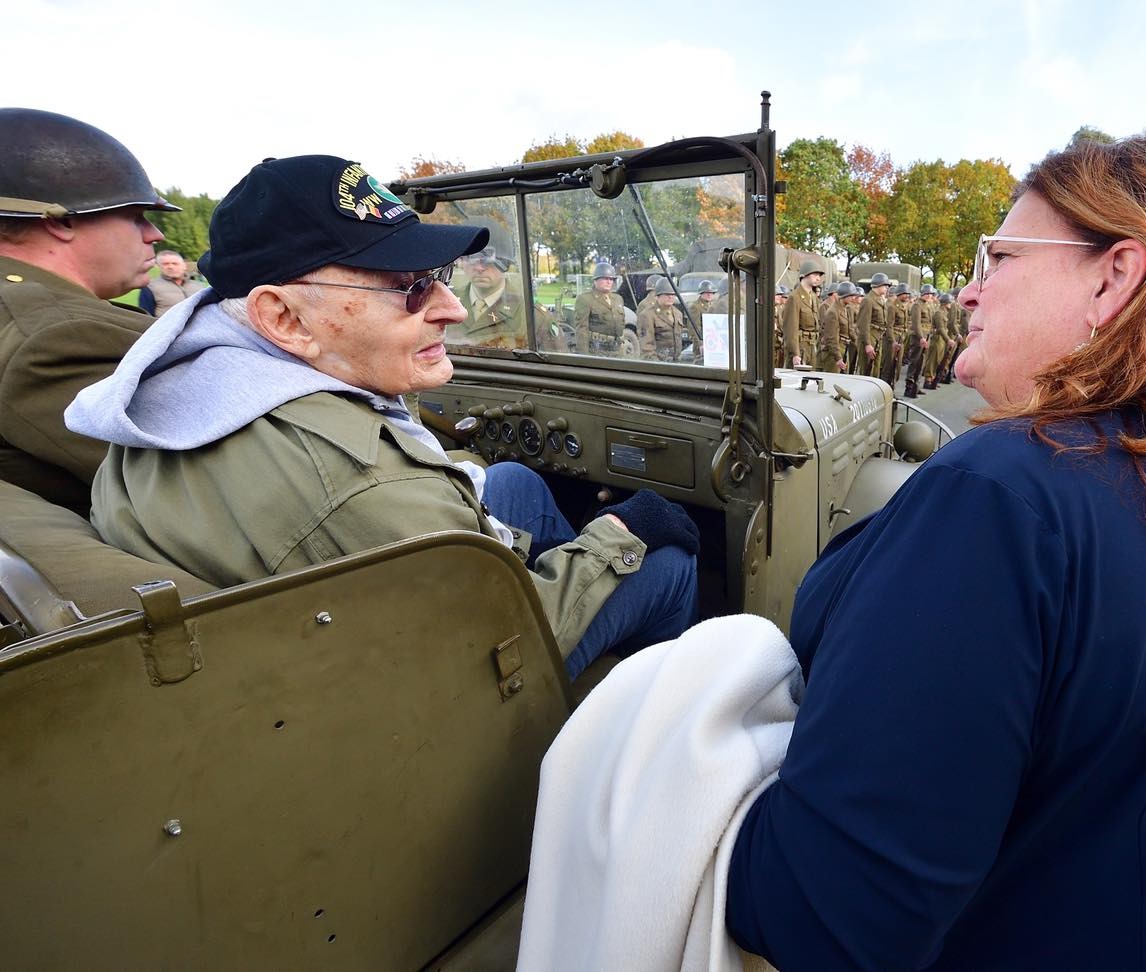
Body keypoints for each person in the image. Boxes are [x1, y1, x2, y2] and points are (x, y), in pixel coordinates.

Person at [724, 135, 1146, 969]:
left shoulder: (1005, 493)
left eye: (1000, 256)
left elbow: (823, 914)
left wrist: (678, 748)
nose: (969, 292)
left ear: (1114, 276)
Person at [65, 155, 698, 681]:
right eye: (409, 286)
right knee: (666, 559)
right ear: (283, 318)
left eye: (440, 276)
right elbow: (510, 638)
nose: (451, 308)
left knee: (518, 483)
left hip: (324, 639)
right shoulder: (359, 479)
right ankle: (634, 740)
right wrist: (618, 532)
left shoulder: (171, 396)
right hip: (459, 689)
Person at [0, 107, 178, 515]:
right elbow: (200, 494)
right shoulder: (59, 336)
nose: (155, 234)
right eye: (136, 216)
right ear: (61, 222)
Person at [450, 227, 564, 351]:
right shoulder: (445, 304)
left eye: (488, 260)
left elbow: (558, 367)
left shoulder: (533, 317)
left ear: (505, 263)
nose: (479, 267)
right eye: (472, 258)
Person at [573, 263, 627, 356]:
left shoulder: (618, 299)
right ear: (595, 280)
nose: (609, 282)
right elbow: (582, 330)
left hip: (618, 351)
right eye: (605, 278)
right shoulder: (586, 299)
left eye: (611, 279)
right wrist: (584, 356)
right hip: (597, 352)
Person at [636, 279, 696, 362]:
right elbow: (647, 348)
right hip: (658, 363)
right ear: (658, 296)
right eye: (667, 294)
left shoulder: (678, 314)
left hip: (676, 361)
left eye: (673, 294)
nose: (670, 297)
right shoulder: (647, 315)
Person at [782, 258, 824, 368]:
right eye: (815, 274)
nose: (818, 278)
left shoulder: (814, 297)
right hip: (800, 347)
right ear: (805, 275)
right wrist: (795, 353)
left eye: (819, 275)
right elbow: (790, 329)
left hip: (812, 346)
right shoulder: (794, 297)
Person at [145, 249, 203, 317]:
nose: (170, 267)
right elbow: (146, 317)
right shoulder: (150, 287)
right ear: (159, 266)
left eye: (175, 263)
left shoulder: (198, 286)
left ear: (184, 266)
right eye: (165, 264)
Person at [855, 273, 889, 377]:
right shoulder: (868, 300)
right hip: (870, 337)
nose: (887, 288)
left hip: (878, 337)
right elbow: (863, 324)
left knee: (875, 370)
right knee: (866, 371)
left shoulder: (880, 299)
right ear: (879, 285)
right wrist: (867, 344)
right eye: (885, 285)